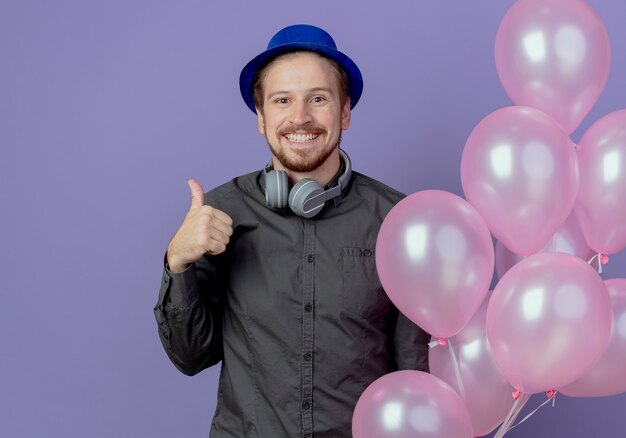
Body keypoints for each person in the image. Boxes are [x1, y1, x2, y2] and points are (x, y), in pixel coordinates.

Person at [154, 24, 430, 438]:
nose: (300, 117)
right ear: (262, 117)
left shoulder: (399, 221)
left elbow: (415, 371)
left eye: (318, 99)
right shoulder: (217, 214)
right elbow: (190, 357)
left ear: (344, 112)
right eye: (283, 100)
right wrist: (178, 263)